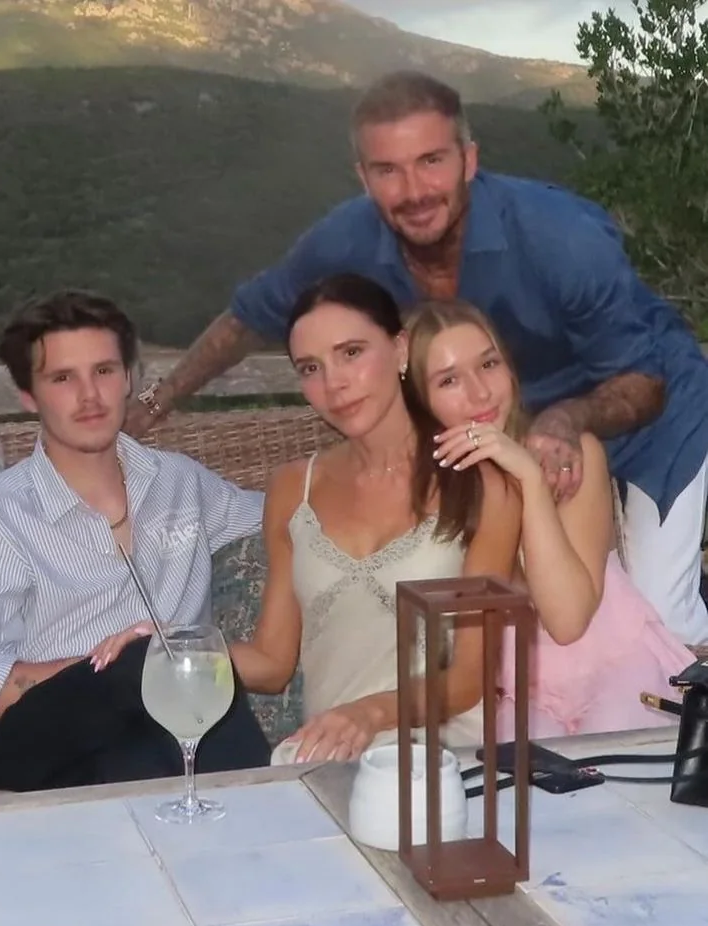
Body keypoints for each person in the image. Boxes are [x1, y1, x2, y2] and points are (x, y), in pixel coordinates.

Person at [125, 69, 708, 646]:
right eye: (388, 170)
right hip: (500, 429)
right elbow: (248, 319)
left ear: (468, 160)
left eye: (431, 161)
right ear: (363, 177)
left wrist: (567, 418)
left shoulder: (560, 239)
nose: (413, 191)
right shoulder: (345, 240)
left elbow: (646, 380)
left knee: (664, 618)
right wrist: (157, 399)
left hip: (649, 419)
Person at [0, 289, 271, 790]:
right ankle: (256, 799)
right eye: (63, 378)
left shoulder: (180, 484)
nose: (89, 395)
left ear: (128, 377)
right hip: (35, 745)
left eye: (104, 371)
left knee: (157, 727)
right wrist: (105, 666)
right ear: (29, 396)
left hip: (155, 737)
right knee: (157, 660)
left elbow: (289, 518)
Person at [228, 273, 521, 765]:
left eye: (351, 353)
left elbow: (469, 679)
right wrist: (171, 647)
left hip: (443, 759)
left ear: (400, 350)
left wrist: (370, 714)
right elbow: (272, 663)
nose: (334, 383)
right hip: (327, 759)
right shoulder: (293, 488)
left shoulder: (481, 483)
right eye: (310, 368)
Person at [407, 298, 693, 738]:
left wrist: (530, 479)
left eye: (488, 364)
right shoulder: (427, 489)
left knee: (613, 742)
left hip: (614, 667)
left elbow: (568, 621)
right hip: (519, 691)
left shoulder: (567, 453)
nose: (480, 392)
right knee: (520, 759)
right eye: (449, 380)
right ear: (420, 400)